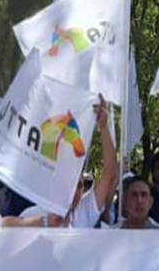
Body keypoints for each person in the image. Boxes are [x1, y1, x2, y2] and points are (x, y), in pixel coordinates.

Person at [18, 98, 116, 229]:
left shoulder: (84, 212)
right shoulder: (31, 216)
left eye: (79, 186)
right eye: (69, 184)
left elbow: (109, 173)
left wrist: (104, 127)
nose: (74, 192)